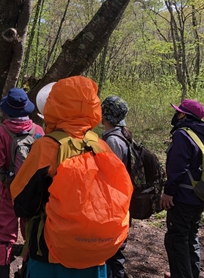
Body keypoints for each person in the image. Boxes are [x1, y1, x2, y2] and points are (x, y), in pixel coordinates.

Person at [11, 76, 117, 278]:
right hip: (96, 252)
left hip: (52, 254)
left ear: (53, 106)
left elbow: (22, 204)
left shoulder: (45, 147)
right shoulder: (102, 146)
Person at [0, 87, 44, 278]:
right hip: (33, 190)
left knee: (6, 231)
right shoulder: (38, 131)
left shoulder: (1, 133)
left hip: (9, 189)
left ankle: (2, 272)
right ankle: (26, 269)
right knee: (30, 228)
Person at [160, 99, 204, 278]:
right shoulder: (201, 135)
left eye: (178, 112)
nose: (176, 114)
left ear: (183, 115)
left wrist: (168, 192)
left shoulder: (183, 134)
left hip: (182, 197)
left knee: (176, 239)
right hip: (198, 196)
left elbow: (178, 167)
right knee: (190, 237)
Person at [101, 95, 132, 278]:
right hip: (120, 202)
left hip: (112, 204)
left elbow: (109, 176)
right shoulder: (122, 135)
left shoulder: (112, 141)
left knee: (112, 252)